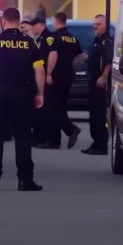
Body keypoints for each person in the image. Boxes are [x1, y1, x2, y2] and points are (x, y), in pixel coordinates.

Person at [0, 7, 45, 191]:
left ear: (3, 21)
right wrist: (40, 94)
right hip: (23, 94)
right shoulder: (30, 43)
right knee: (23, 137)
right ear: (19, 20)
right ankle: (25, 180)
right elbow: (39, 70)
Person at [40, 12, 83, 150]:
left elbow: (53, 54)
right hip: (67, 77)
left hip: (55, 78)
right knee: (60, 107)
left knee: (52, 107)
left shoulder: (53, 37)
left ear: (55, 21)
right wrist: (70, 64)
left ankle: (70, 130)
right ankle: (55, 141)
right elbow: (82, 56)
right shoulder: (72, 38)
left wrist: (49, 73)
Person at [82, 14, 113, 155]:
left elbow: (109, 61)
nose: (95, 26)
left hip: (101, 86)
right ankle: (95, 143)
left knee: (100, 116)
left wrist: (104, 76)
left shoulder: (107, 42)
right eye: (94, 24)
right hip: (92, 84)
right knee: (93, 116)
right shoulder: (96, 41)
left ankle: (101, 145)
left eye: (98, 24)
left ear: (106, 25)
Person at [29, 12, 53, 147]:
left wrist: (48, 73)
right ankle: (38, 136)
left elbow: (52, 55)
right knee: (39, 110)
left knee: (45, 110)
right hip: (39, 77)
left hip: (45, 78)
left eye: (34, 25)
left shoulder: (48, 38)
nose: (32, 27)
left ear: (42, 25)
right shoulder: (39, 38)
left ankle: (45, 138)